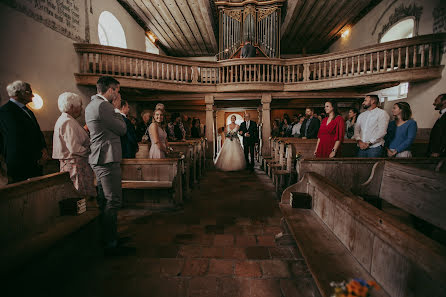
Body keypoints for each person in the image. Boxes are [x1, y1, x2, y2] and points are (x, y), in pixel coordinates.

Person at [85, 76, 129, 256]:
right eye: (116, 91)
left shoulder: (91, 105)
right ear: (110, 90)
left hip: (101, 157)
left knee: (105, 200)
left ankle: (109, 237)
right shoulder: (104, 106)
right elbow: (122, 129)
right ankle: (110, 243)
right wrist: (118, 111)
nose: (117, 94)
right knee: (113, 200)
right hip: (106, 158)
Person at [0, 80, 48, 183]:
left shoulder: (28, 110)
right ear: (17, 93)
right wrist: (36, 156)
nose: (33, 95)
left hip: (35, 161)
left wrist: (43, 150)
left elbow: (37, 132)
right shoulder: (6, 111)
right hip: (21, 163)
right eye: (29, 92)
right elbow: (17, 138)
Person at [52, 92, 96, 197]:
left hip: (75, 163)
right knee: (79, 195)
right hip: (75, 165)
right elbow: (74, 148)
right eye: (80, 105)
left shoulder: (67, 119)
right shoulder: (67, 121)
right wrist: (91, 150)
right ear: (71, 106)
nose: (81, 108)